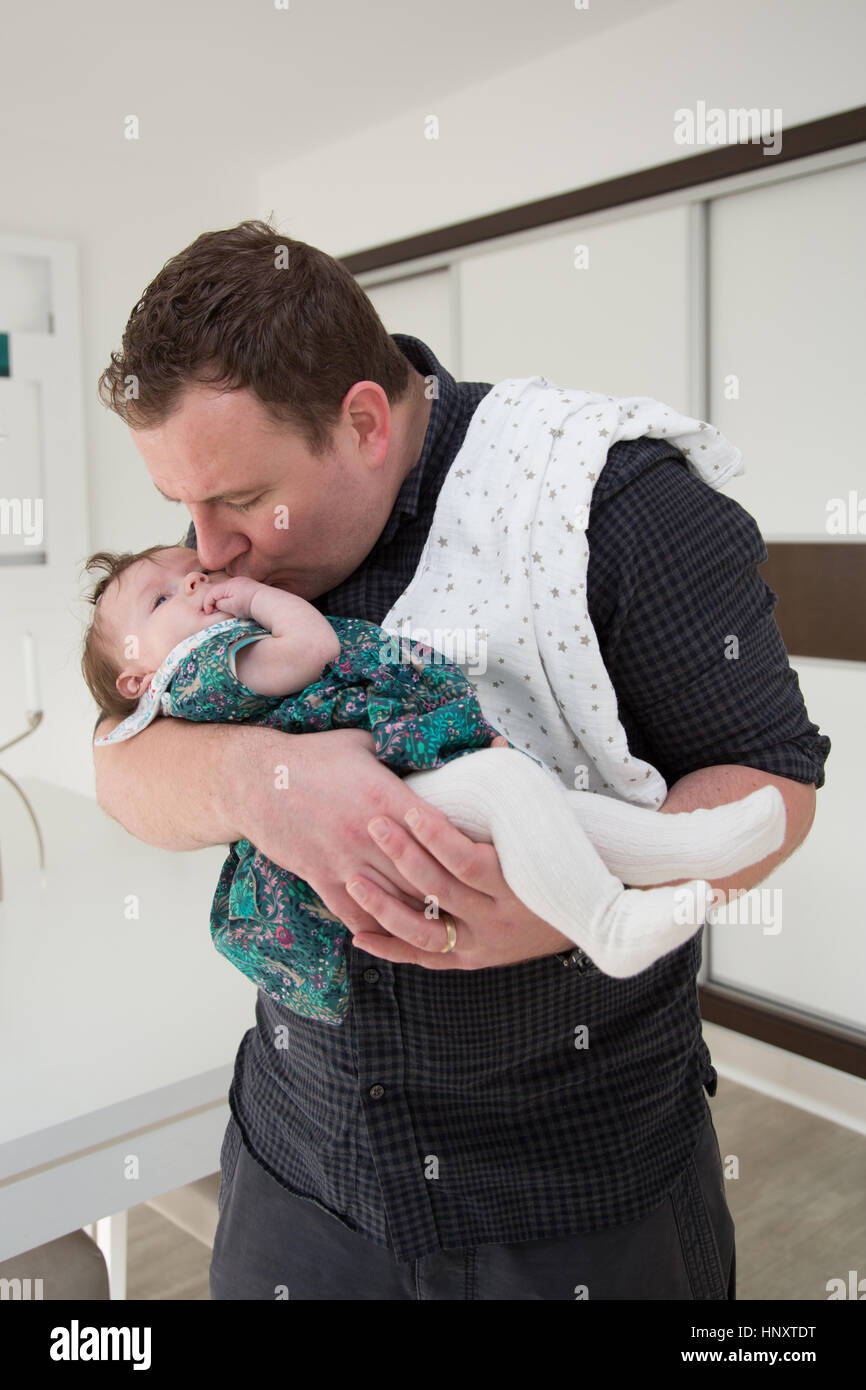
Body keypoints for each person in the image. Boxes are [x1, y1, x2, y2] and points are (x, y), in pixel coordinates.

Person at [92, 220, 830, 1300]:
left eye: (241, 502)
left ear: (361, 422)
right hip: (302, 1168)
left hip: (573, 1198)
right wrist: (259, 780)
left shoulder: (617, 509)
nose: (206, 553)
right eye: (183, 511)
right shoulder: (221, 560)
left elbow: (773, 782)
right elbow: (123, 759)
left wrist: (555, 902)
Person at [81, 544, 788, 1016]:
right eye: (162, 597)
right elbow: (313, 647)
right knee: (506, 787)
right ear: (139, 677)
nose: (198, 579)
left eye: (192, 573)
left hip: (386, 775)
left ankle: (690, 847)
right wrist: (258, 597)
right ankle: (605, 923)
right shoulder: (203, 669)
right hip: (375, 797)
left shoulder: (195, 659)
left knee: (547, 808)